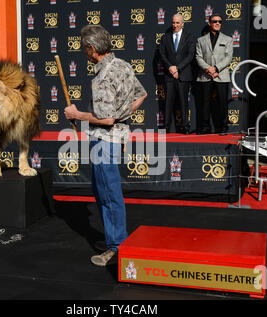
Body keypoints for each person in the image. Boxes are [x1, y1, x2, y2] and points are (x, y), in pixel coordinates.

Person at [64, 24, 147, 267]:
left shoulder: (103, 76)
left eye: (84, 49)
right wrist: (123, 115)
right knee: (104, 192)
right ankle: (114, 240)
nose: (84, 53)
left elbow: (107, 119)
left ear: (92, 48)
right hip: (117, 137)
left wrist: (77, 114)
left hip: (105, 140)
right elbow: (141, 95)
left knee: (108, 194)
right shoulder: (124, 65)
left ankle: (116, 247)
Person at [196, 14, 233, 134]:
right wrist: (208, 69)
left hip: (221, 75)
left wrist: (216, 68)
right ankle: (205, 127)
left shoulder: (228, 39)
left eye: (220, 21)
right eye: (215, 21)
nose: (217, 23)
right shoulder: (200, 40)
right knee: (205, 103)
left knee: (222, 103)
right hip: (205, 76)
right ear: (209, 23)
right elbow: (198, 57)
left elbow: (229, 58)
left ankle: (223, 127)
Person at [159, 14, 195, 134]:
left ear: (183, 23)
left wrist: (177, 68)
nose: (175, 25)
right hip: (169, 76)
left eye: (178, 23)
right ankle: (166, 128)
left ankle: (185, 128)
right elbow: (162, 55)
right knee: (168, 103)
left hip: (183, 75)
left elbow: (190, 55)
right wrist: (170, 67)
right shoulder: (165, 37)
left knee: (184, 103)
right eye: (173, 22)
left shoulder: (189, 37)